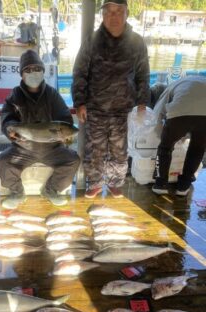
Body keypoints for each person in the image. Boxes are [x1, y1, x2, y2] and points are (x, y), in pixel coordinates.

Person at [71, 0, 150, 199]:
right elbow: (80, 72)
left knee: (119, 149)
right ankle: (95, 182)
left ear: (126, 13)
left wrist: (142, 103)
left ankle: (115, 183)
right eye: (109, 12)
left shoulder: (137, 42)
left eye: (118, 11)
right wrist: (79, 102)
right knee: (94, 148)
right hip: (95, 106)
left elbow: (143, 74)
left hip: (123, 108)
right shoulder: (92, 40)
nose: (113, 17)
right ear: (103, 14)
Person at [0, 50, 80, 209]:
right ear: (22, 75)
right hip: (23, 148)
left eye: (37, 69)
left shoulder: (52, 94)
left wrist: (66, 137)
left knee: (73, 160)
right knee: (3, 160)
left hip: (53, 148)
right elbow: (7, 118)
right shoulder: (14, 95)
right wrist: (10, 130)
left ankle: (51, 190)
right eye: (28, 70)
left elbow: (65, 118)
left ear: (43, 72)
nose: (33, 73)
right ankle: (17, 193)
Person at [152, 76, 206, 197]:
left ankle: (160, 184)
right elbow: (195, 119)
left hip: (179, 115)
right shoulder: (202, 81)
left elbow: (157, 112)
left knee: (165, 148)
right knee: (197, 150)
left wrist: (161, 135)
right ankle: (183, 187)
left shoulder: (171, 86)